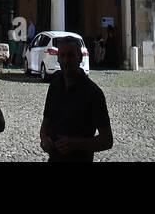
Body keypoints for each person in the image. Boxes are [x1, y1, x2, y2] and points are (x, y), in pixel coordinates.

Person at [40, 35, 113, 163]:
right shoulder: (55, 84)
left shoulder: (93, 93)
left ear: (80, 58)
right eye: (62, 55)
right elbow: (46, 122)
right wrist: (44, 139)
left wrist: (75, 144)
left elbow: (107, 140)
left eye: (71, 55)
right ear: (58, 59)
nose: (66, 60)